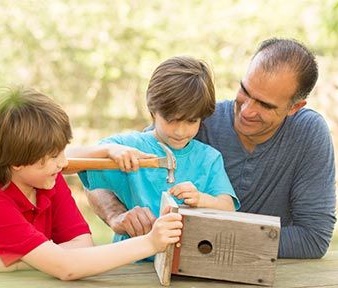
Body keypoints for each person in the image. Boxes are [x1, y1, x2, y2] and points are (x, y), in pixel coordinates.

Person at [86, 38, 336, 259]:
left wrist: (208, 242)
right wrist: (116, 216)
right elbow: (105, 174)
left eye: (265, 105)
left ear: (295, 107)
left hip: (258, 274)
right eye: (245, 91)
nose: (247, 110)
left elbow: (313, 238)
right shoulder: (197, 118)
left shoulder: (308, 133)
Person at [0, 87, 183, 279]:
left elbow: (83, 247)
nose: (63, 164)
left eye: (62, 151)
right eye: (51, 157)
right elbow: (67, 267)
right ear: (17, 162)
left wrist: (15, 263)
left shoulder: (48, 179)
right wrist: (150, 242)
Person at [79, 56, 239, 253]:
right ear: (153, 109)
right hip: (130, 261)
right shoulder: (128, 146)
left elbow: (228, 207)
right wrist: (107, 150)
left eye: (191, 121)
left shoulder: (209, 158)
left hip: (187, 265)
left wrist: (202, 199)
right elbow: (67, 162)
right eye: (171, 120)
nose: (180, 131)